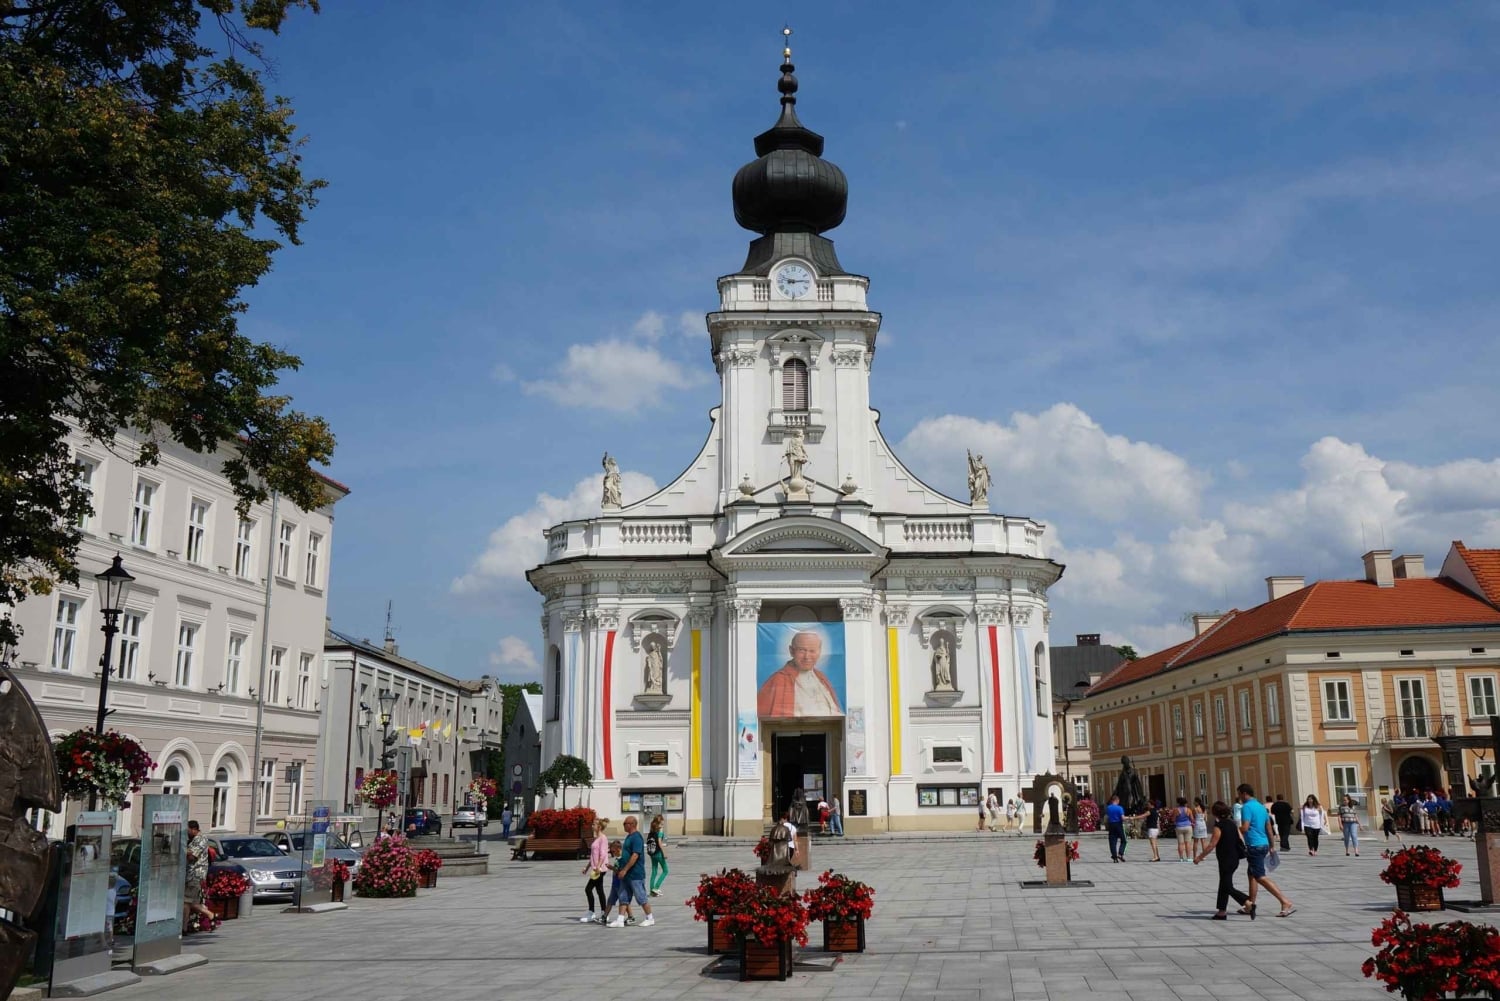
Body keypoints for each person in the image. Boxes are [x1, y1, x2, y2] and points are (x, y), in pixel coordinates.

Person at [1239, 784, 1294, 917]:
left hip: (1254, 845)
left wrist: (1232, 831)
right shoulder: (1260, 807)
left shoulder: (1246, 807)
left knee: (1260, 877)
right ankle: (1250, 905)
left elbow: (1245, 827)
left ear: (1245, 794)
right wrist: (1271, 845)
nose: (1239, 797)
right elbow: (1269, 827)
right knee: (1252, 875)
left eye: (1240, 794)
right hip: (1263, 844)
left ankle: (1284, 901)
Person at [757, 630, 841, 717]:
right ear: (791, 651)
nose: (807, 657)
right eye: (802, 650)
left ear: (819, 652)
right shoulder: (778, 680)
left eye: (812, 651)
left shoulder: (822, 678)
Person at [1194, 800, 1252, 920]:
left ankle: (1248, 903)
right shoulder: (1232, 824)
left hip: (1226, 859)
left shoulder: (1218, 826)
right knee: (1224, 884)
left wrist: (1199, 857)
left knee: (1227, 886)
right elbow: (1240, 839)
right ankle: (1221, 912)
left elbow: (1211, 845)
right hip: (1234, 858)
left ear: (1215, 813)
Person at [606, 816, 654, 928]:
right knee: (623, 896)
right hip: (626, 874)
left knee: (641, 896)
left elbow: (635, 855)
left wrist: (625, 869)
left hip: (635, 874)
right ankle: (620, 919)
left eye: (625, 823)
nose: (623, 825)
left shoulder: (637, 838)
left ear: (632, 824)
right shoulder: (628, 837)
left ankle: (650, 918)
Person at [184, 820, 218, 932]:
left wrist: (182, 850)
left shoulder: (200, 839)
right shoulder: (194, 839)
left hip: (195, 875)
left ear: (194, 829)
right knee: (188, 902)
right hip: (191, 875)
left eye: (188, 830)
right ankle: (183, 927)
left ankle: (210, 915)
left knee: (187, 901)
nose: (186, 832)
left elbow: (192, 857)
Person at [580, 818, 610, 922]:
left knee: (588, 889)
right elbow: (593, 855)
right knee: (599, 890)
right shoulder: (596, 838)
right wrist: (587, 867)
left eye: (594, 825)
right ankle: (604, 913)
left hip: (600, 869)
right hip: (596, 868)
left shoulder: (603, 838)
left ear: (599, 827)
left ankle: (592, 912)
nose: (592, 826)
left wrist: (598, 866)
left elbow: (603, 854)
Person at [596, 839, 626, 925]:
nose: (612, 853)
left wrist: (612, 868)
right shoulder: (618, 858)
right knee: (610, 901)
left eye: (613, 851)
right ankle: (604, 917)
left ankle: (630, 916)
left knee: (623, 901)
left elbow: (620, 871)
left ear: (618, 849)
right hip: (615, 883)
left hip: (620, 883)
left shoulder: (622, 859)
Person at [647, 814, 670, 897]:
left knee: (654, 871)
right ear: (659, 823)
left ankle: (651, 890)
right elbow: (660, 842)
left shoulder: (652, 830)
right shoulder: (660, 831)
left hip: (652, 853)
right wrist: (664, 852)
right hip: (658, 853)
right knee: (666, 870)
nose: (662, 825)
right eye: (662, 824)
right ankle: (656, 887)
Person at [1105, 795, 1128, 862]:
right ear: (1117, 800)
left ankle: (1115, 857)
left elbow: (1107, 816)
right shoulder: (1119, 808)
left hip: (1111, 825)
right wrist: (1129, 818)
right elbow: (1122, 818)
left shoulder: (1108, 808)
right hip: (1118, 824)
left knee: (1112, 841)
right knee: (1123, 840)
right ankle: (1120, 854)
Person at [1173, 797, 1195, 862]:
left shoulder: (1176, 810)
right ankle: (1188, 858)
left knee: (1180, 843)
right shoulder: (1188, 810)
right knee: (1188, 843)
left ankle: (1181, 858)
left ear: (1178, 803)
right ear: (1185, 803)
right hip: (1188, 826)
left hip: (1179, 827)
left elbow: (1173, 819)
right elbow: (1192, 819)